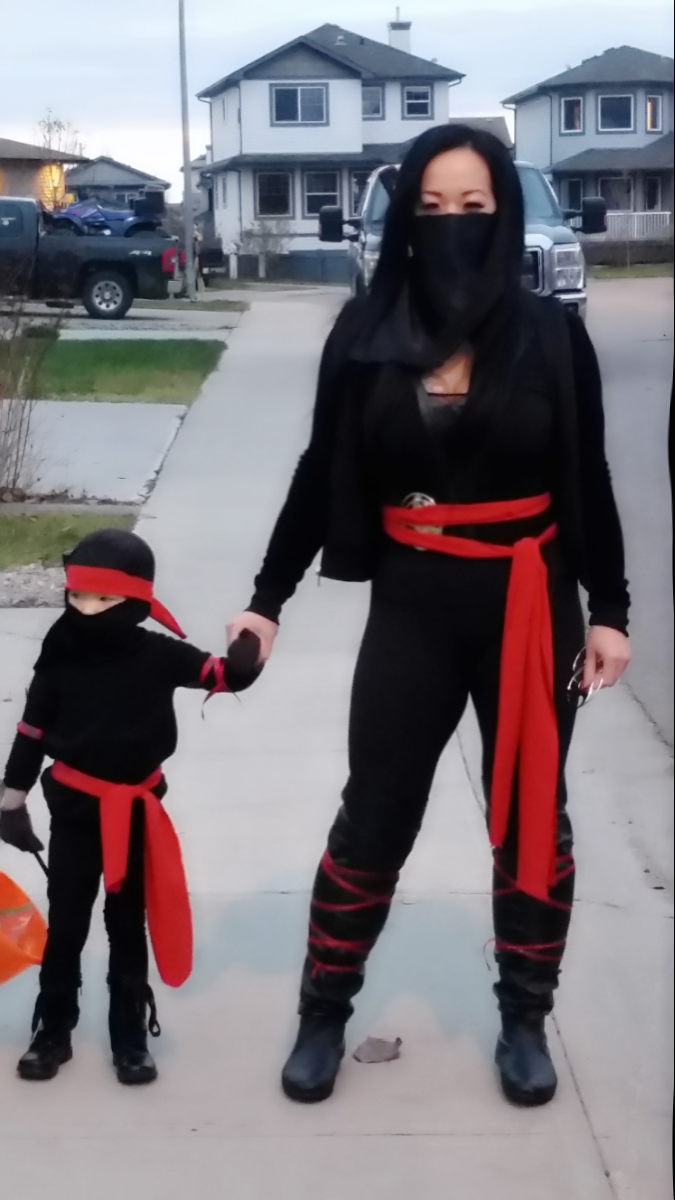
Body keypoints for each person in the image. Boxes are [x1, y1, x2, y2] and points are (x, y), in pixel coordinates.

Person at [226, 125, 631, 1107]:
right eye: (432, 207)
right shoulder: (364, 334)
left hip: (529, 601)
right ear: (407, 216)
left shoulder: (550, 334)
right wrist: (266, 601)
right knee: (376, 810)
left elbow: (587, 474)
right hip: (414, 602)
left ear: (504, 215)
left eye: (473, 207)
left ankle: (524, 1018)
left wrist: (609, 607)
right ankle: (323, 1012)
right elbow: (319, 471)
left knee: (530, 812)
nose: (452, 224)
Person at [0, 528, 259, 1085]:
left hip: (137, 813)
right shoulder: (60, 653)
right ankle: (53, 1031)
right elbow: (32, 730)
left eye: (103, 599)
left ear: (136, 600)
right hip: (75, 811)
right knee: (67, 923)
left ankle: (130, 1035)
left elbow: (219, 674)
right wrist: (12, 801)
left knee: (126, 925)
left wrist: (246, 654)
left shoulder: (158, 655)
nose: (86, 609)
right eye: (77, 596)